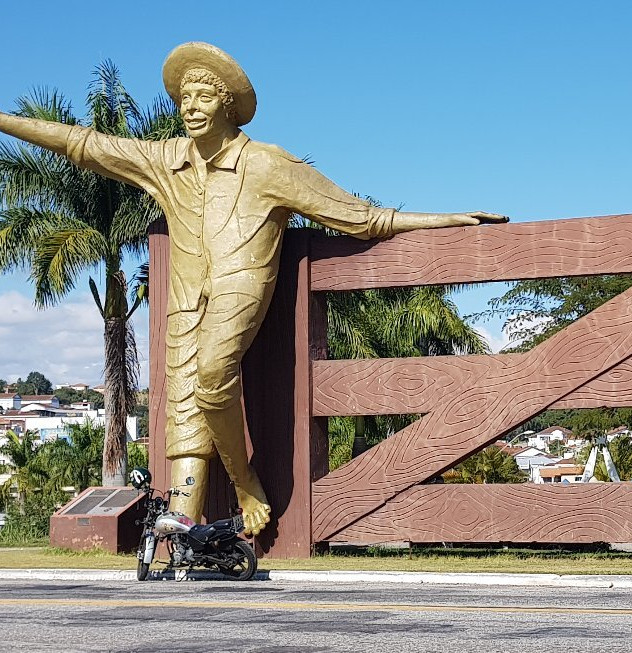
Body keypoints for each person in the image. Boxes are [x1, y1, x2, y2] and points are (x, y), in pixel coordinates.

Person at [0, 42, 506, 536]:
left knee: (212, 371)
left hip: (240, 289)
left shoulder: (267, 165)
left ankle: (246, 485)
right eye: (184, 99)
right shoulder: (167, 161)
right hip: (185, 301)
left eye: (203, 96)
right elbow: (83, 144)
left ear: (229, 104)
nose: (190, 108)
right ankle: (183, 526)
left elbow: (362, 218)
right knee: (183, 403)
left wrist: (448, 220)